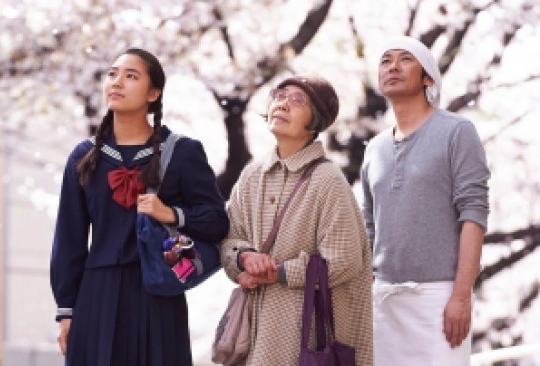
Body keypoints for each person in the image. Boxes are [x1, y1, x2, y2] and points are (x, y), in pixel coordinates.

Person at [50, 48, 229, 366]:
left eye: (131, 76)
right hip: (96, 296)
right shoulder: (83, 157)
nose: (116, 82)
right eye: (112, 74)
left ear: (153, 93)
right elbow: (69, 239)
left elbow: (217, 221)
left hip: (158, 292)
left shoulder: (183, 152)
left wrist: (172, 214)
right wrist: (67, 311)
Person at [219, 75, 373, 366]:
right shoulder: (251, 176)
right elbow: (230, 238)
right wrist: (244, 258)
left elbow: (344, 260)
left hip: (306, 336)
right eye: (279, 95)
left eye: (297, 100)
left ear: (315, 121)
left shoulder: (328, 179)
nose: (282, 104)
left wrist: (278, 271)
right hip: (252, 335)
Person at [361, 36, 490, 366]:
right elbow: (370, 226)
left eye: (405, 59)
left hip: (439, 299)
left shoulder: (457, 131)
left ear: (428, 77)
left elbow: (473, 214)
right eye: (386, 60)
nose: (393, 66)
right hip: (383, 301)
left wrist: (461, 296)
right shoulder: (374, 148)